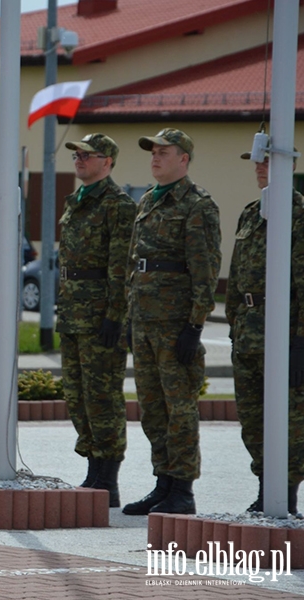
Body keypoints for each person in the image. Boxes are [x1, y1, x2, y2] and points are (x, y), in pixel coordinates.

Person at [122, 128, 221, 516]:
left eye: (164, 152)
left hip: (175, 322)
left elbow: (205, 270)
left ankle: (182, 488)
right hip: (146, 320)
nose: (156, 157)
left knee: (179, 407)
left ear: (184, 158)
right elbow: (136, 263)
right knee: (152, 406)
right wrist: (132, 318)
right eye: (153, 151)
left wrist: (194, 325)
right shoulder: (149, 200)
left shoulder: (198, 205)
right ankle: (162, 482)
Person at [58, 134, 136, 507]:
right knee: (78, 396)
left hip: (100, 315)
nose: (80, 159)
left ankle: (108, 477)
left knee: (103, 396)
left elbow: (120, 266)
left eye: (88, 155)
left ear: (107, 162)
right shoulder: (76, 203)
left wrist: (115, 316)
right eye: (77, 154)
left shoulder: (118, 205)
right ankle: (92, 467)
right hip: (73, 313)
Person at [226, 147, 304, 515]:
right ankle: (264, 488)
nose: (259, 167)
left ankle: (284, 495)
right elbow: (236, 278)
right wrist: (233, 325)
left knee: (290, 420)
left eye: (267, 161)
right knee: (253, 418)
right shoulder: (250, 213)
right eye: (257, 161)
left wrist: (301, 340)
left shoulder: (299, 215)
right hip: (249, 333)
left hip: (285, 333)